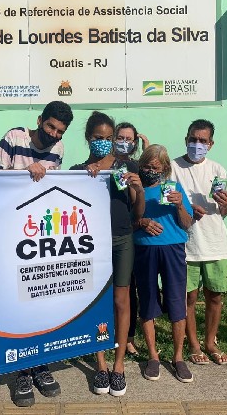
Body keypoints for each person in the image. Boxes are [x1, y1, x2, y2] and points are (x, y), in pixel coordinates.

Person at [0, 100, 74, 407]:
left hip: (42, 233)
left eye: (59, 131)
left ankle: (41, 364)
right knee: (17, 300)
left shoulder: (58, 150)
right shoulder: (15, 137)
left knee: (42, 299)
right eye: (50, 127)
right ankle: (21, 370)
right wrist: (23, 172)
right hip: (13, 231)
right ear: (39, 120)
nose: (53, 135)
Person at [70, 112, 145, 396]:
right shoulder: (78, 170)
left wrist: (138, 188)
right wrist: (85, 179)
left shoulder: (127, 167)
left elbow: (138, 213)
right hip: (92, 244)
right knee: (97, 303)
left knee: (121, 300)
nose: (103, 142)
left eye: (108, 137)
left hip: (122, 240)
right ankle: (101, 364)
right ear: (88, 138)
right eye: (97, 137)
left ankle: (119, 365)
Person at [171, 119, 227, 365]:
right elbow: (167, 200)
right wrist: (187, 208)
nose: (197, 144)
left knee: (215, 297)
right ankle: (194, 345)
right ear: (186, 139)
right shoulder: (173, 167)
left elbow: (224, 211)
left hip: (215, 243)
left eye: (202, 140)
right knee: (189, 298)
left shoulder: (218, 170)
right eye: (193, 139)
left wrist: (225, 204)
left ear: (211, 144)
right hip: (186, 244)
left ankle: (210, 342)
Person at [133, 145, 194, 383]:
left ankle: (178, 357)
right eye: (146, 166)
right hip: (144, 248)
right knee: (148, 300)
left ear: (165, 168)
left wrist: (179, 205)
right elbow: (127, 221)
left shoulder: (174, 188)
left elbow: (187, 223)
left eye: (155, 167)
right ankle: (153, 356)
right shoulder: (135, 188)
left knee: (177, 302)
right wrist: (142, 222)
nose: (150, 171)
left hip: (173, 249)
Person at [113, 122, 150, 356]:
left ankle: (128, 337)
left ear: (134, 143)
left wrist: (138, 187)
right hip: (105, 235)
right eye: (121, 137)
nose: (124, 142)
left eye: (129, 139)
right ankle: (105, 335)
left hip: (129, 235)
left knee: (128, 289)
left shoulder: (135, 167)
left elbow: (140, 207)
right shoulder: (105, 164)